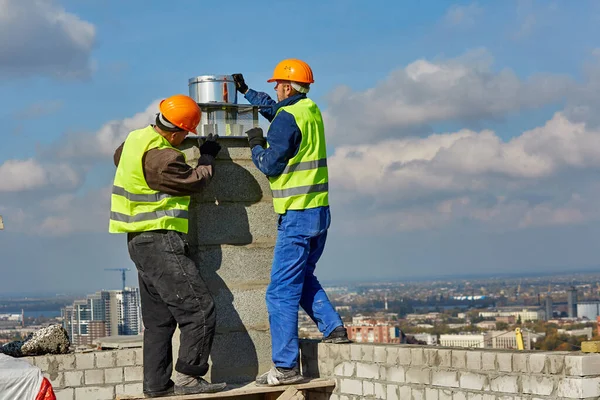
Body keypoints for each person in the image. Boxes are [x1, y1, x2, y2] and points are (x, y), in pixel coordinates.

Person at [232, 59, 351, 387]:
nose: (274, 89)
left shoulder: (288, 118)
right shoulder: (309, 110)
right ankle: (333, 328)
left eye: (276, 84)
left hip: (297, 216)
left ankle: (285, 368)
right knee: (302, 276)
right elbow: (278, 112)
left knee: (280, 292)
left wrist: (256, 144)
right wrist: (247, 93)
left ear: (286, 86)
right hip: (319, 213)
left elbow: (270, 165)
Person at [109, 94, 226, 397]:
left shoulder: (136, 140)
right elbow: (195, 182)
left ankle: (157, 385)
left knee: (159, 322)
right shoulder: (164, 159)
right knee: (199, 310)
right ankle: (189, 376)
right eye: (186, 133)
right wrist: (207, 157)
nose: (186, 138)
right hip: (160, 241)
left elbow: (118, 157)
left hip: (139, 242)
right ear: (176, 132)